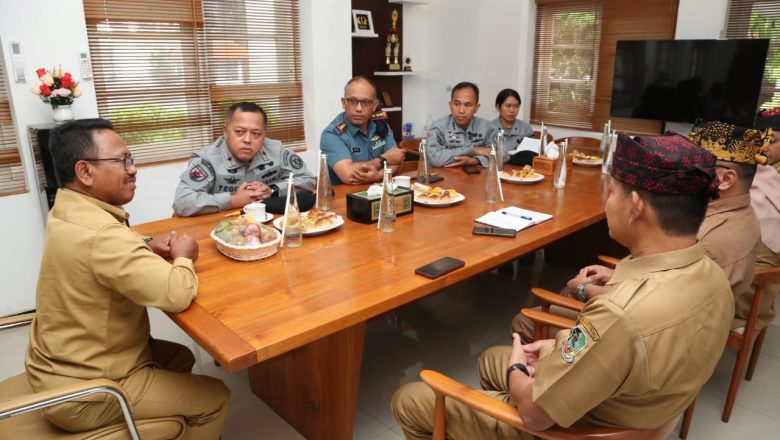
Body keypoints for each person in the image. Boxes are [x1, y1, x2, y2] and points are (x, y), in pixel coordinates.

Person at [392, 132, 733, 439]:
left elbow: (535, 413)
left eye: (612, 192)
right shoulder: (715, 279)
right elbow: (613, 350)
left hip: (577, 427)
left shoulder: (619, 315)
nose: (607, 202)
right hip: (636, 408)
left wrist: (516, 367)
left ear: (635, 207)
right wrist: (557, 347)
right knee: (489, 360)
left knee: (412, 399)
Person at [25, 119, 229, 438]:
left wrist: (145, 243)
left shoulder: (67, 207)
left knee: (180, 356)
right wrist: (183, 256)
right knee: (216, 397)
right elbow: (175, 293)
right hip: (88, 391)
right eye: (122, 161)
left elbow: (102, 245)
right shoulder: (101, 235)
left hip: (57, 365)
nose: (132, 169)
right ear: (85, 171)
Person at [688, 119, 767, 331]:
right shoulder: (741, 214)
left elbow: (672, 305)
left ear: (725, 179)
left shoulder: (711, 238)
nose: (686, 175)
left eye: (695, 169)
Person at [173, 101, 316, 216]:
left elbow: (308, 180)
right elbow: (182, 202)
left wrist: (273, 190)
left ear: (264, 135)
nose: (247, 139)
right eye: (239, 132)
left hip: (269, 223)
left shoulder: (276, 150)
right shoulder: (208, 160)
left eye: (256, 133)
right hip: (221, 227)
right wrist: (233, 200)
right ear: (225, 131)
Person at [320, 76, 405, 185]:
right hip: (345, 198)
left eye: (366, 102)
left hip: (378, 192)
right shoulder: (331, 134)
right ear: (343, 103)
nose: (358, 108)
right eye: (352, 101)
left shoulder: (381, 125)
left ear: (374, 105)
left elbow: (397, 160)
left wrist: (378, 175)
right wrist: (384, 160)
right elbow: (349, 175)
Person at [750, 109, 780, 330]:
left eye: (774, 141)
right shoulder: (753, 168)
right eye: (761, 140)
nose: (765, 146)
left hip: (756, 286)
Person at [426, 82, 499, 168]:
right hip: (444, 178)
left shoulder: (486, 127)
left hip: (476, 179)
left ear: (476, 107)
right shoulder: (438, 127)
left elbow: (502, 155)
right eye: (456, 104)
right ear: (450, 105)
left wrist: (475, 160)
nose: (461, 110)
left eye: (467, 105)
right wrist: (473, 150)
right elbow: (434, 158)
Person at [491, 88, 535, 165]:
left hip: (521, 171)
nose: (512, 110)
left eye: (516, 106)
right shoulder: (489, 128)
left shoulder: (526, 128)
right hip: (497, 170)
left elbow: (532, 154)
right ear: (498, 107)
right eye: (508, 106)